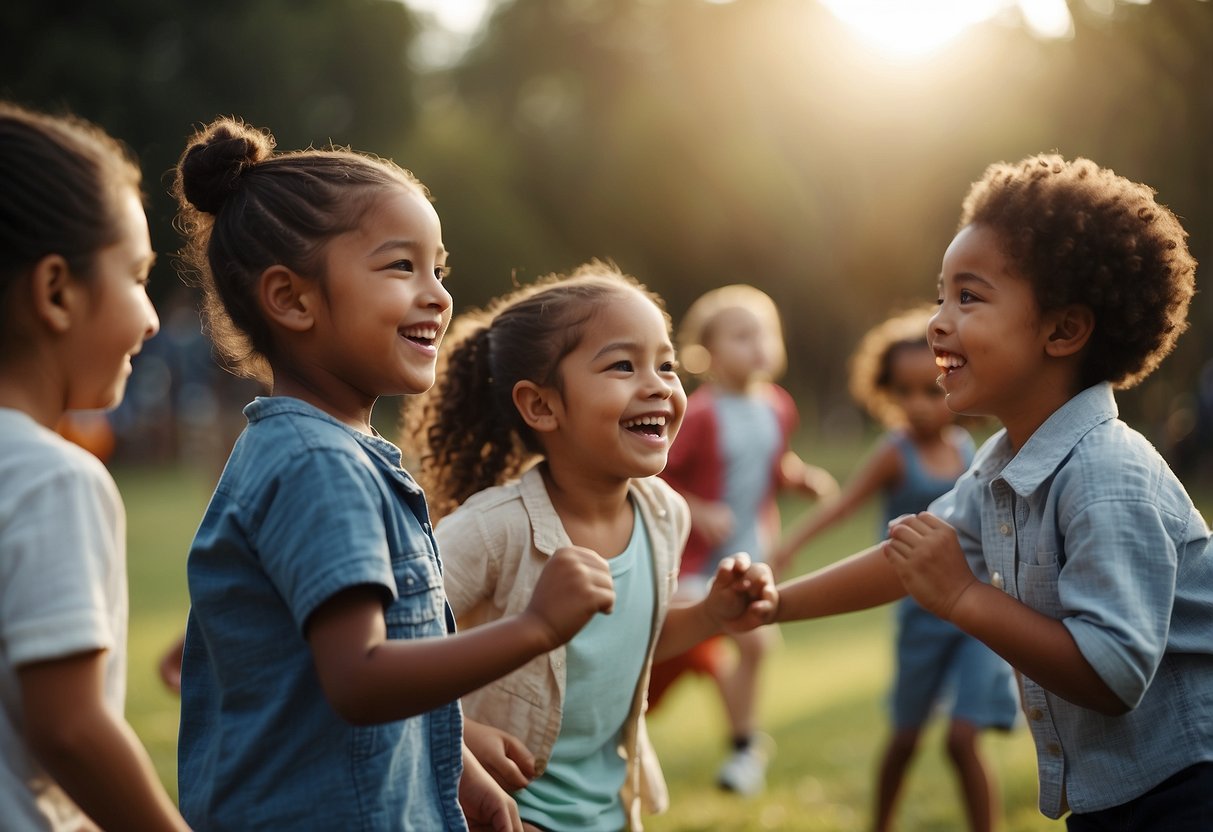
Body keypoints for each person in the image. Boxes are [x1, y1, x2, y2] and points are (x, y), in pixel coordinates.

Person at [171, 117, 617, 832]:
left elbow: (382, 660)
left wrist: (457, 768)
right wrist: (534, 626)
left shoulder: (335, 454)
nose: (437, 294)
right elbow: (360, 677)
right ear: (291, 300)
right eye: (399, 266)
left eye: (437, 268)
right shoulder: (318, 465)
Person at [773, 154, 1211, 830]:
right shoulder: (1003, 463)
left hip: (1187, 788)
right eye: (940, 294)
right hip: (1121, 793)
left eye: (968, 297)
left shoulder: (1106, 476)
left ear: (1062, 330)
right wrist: (770, 606)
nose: (936, 322)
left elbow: (1112, 674)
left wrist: (961, 597)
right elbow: (909, 553)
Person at [406, 262, 778, 832]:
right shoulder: (493, 529)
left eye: (667, 364)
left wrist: (709, 614)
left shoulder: (664, 514)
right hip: (507, 811)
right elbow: (392, 656)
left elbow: (633, 641)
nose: (657, 384)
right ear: (542, 406)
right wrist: (457, 738)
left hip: (609, 810)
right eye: (623, 365)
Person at [0, 101, 189, 831]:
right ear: (55, 291)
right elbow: (72, 730)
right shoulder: (52, 480)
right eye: (136, 276)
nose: (149, 317)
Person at [772, 305, 1017, 832]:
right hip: (921, 616)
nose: (918, 406)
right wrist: (789, 546)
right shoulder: (894, 452)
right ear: (887, 393)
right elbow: (843, 506)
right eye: (903, 393)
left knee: (961, 737)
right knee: (906, 737)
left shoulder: (965, 449)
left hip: (977, 616)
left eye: (930, 391)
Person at [646, 284, 838, 796]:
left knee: (751, 644)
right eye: (741, 335)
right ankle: (639, 725)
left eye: (765, 333)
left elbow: (774, 464)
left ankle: (743, 748)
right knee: (684, 654)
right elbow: (654, 472)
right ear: (705, 351)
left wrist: (801, 479)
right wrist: (698, 507)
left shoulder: (778, 406)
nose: (757, 345)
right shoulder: (701, 412)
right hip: (692, 562)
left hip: (748, 553)